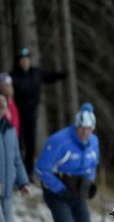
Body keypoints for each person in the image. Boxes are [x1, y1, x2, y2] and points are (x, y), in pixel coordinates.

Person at [35, 103, 99, 222]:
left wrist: (89, 182)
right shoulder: (59, 141)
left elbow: (93, 164)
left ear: (93, 129)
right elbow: (41, 169)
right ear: (75, 126)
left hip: (77, 192)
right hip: (57, 193)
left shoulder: (94, 142)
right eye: (82, 128)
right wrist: (60, 189)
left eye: (89, 129)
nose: (85, 132)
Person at [10, 47, 67, 179]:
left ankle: (28, 173)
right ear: (19, 62)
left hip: (31, 116)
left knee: (31, 145)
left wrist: (64, 74)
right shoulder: (13, 76)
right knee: (18, 145)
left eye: (27, 60)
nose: (25, 62)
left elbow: (51, 76)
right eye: (22, 60)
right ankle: (17, 174)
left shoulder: (36, 73)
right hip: (17, 116)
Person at [0, 89, 30, 222]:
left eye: (4, 101)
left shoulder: (10, 130)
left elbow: (17, 159)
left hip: (7, 191)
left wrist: (23, 182)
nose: (1, 103)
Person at [0, 73, 20, 138]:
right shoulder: (2, 99)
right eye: (6, 85)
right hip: (4, 133)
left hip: (13, 133)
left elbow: (15, 118)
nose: (8, 87)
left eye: (9, 85)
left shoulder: (11, 100)